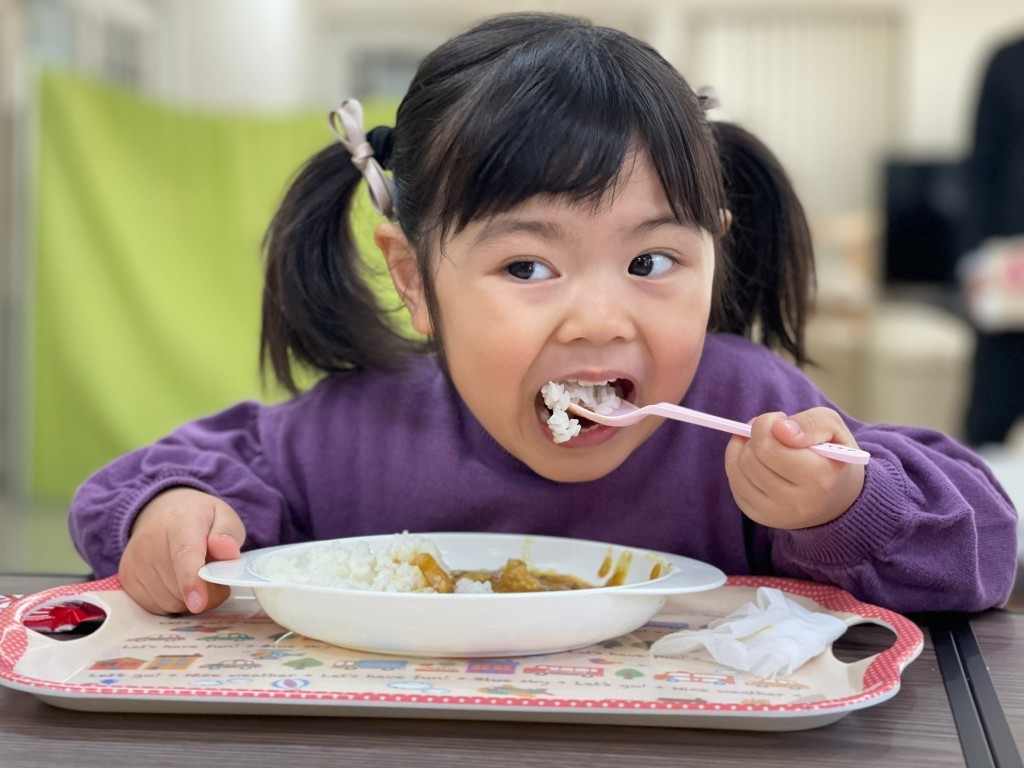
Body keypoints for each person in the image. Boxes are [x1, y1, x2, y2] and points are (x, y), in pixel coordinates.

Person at [69, 13, 1017, 617]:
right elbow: (153, 484)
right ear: (412, 277)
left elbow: (984, 548)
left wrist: (847, 505)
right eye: (528, 265)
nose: (598, 319)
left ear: (714, 248)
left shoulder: (751, 409)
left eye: (651, 261)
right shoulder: (361, 426)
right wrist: (181, 511)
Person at [961, 35, 1024, 446]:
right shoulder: (1007, 61)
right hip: (1010, 268)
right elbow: (980, 170)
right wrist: (972, 263)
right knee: (991, 412)